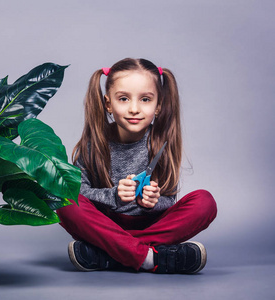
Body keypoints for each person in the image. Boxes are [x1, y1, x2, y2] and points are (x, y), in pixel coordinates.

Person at [56, 58, 217, 274]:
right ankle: (150, 257)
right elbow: (79, 192)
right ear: (108, 104)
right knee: (64, 200)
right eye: (123, 99)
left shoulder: (161, 142)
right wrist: (114, 196)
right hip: (105, 225)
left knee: (204, 202)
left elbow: (169, 200)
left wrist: (153, 202)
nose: (134, 108)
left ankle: (112, 254)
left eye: (145, 99)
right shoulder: (92, 145)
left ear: (158, 105)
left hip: (151, 227)